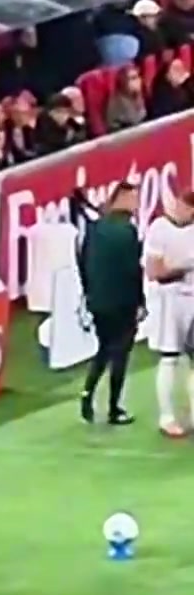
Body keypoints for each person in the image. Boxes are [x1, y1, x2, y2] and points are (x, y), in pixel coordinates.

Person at [78, 180, 143, 426]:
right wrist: (140, 301)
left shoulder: (96, 228)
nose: (136, 204)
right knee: (120, 353)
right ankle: (114, 407)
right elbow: (132, 270)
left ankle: (87, 394)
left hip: (99, 300)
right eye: (133, 198)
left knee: (104, 348)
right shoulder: (127, 231)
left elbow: (83, 261)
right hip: (122, 301)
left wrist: (89, 293)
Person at [142, 188, 194, 438]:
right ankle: (167, 417)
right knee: (170, 357)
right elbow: (155, 272)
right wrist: (183, 269)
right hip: (169, 301)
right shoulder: (160, 228)